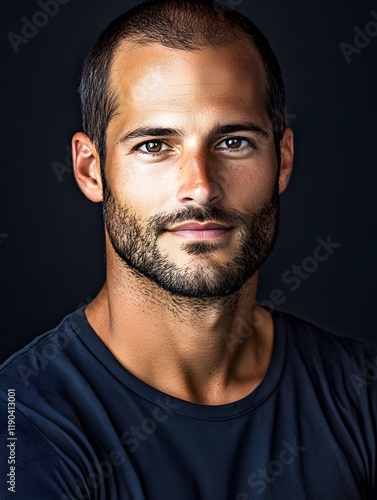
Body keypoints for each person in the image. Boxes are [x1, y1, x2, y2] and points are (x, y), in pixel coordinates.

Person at [0, 0, 376, 498]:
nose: (200, 188)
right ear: (92, 169)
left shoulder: (360, 392)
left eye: (234, 142)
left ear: (282, 161)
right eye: (155, 145)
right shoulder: (23, 426)